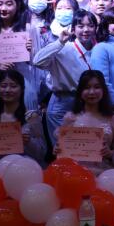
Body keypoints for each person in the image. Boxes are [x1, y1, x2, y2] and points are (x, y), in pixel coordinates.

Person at [33, 9, 98, 146]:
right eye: (81, 26)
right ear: (73, 29)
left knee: (84, 147)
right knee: (63, 147)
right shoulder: (64, 47)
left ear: (96, 29)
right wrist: (59, 42)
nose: (86, 30)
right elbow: (37, 61)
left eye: (90, 26)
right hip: (62, 102)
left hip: (88, 103)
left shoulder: (98, 50)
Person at [0, 0, 45, 117]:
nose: (3, 8)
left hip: (24, 81)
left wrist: (30, 51)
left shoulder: (29, 29)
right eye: (0, 4)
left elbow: (38, 62)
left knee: (26, 122)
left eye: (9, 4)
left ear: (17, 5)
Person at [56, 70, 114, 174]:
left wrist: (111, 153)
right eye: (86, 88)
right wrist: (58, 149)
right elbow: (62, 147)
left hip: (104, 173)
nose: (91, 92)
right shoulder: (70, 117)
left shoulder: (112, 118)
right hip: (75, 172)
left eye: (97, 87)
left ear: (103, 90)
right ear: (80, 91)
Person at [0, 69, 46, 165]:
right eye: (3, 86)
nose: (7, 90)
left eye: (13, 86)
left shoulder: (31, 117)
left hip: (24, 168)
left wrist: (28, 142)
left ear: (22, 89)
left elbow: (42, 153)